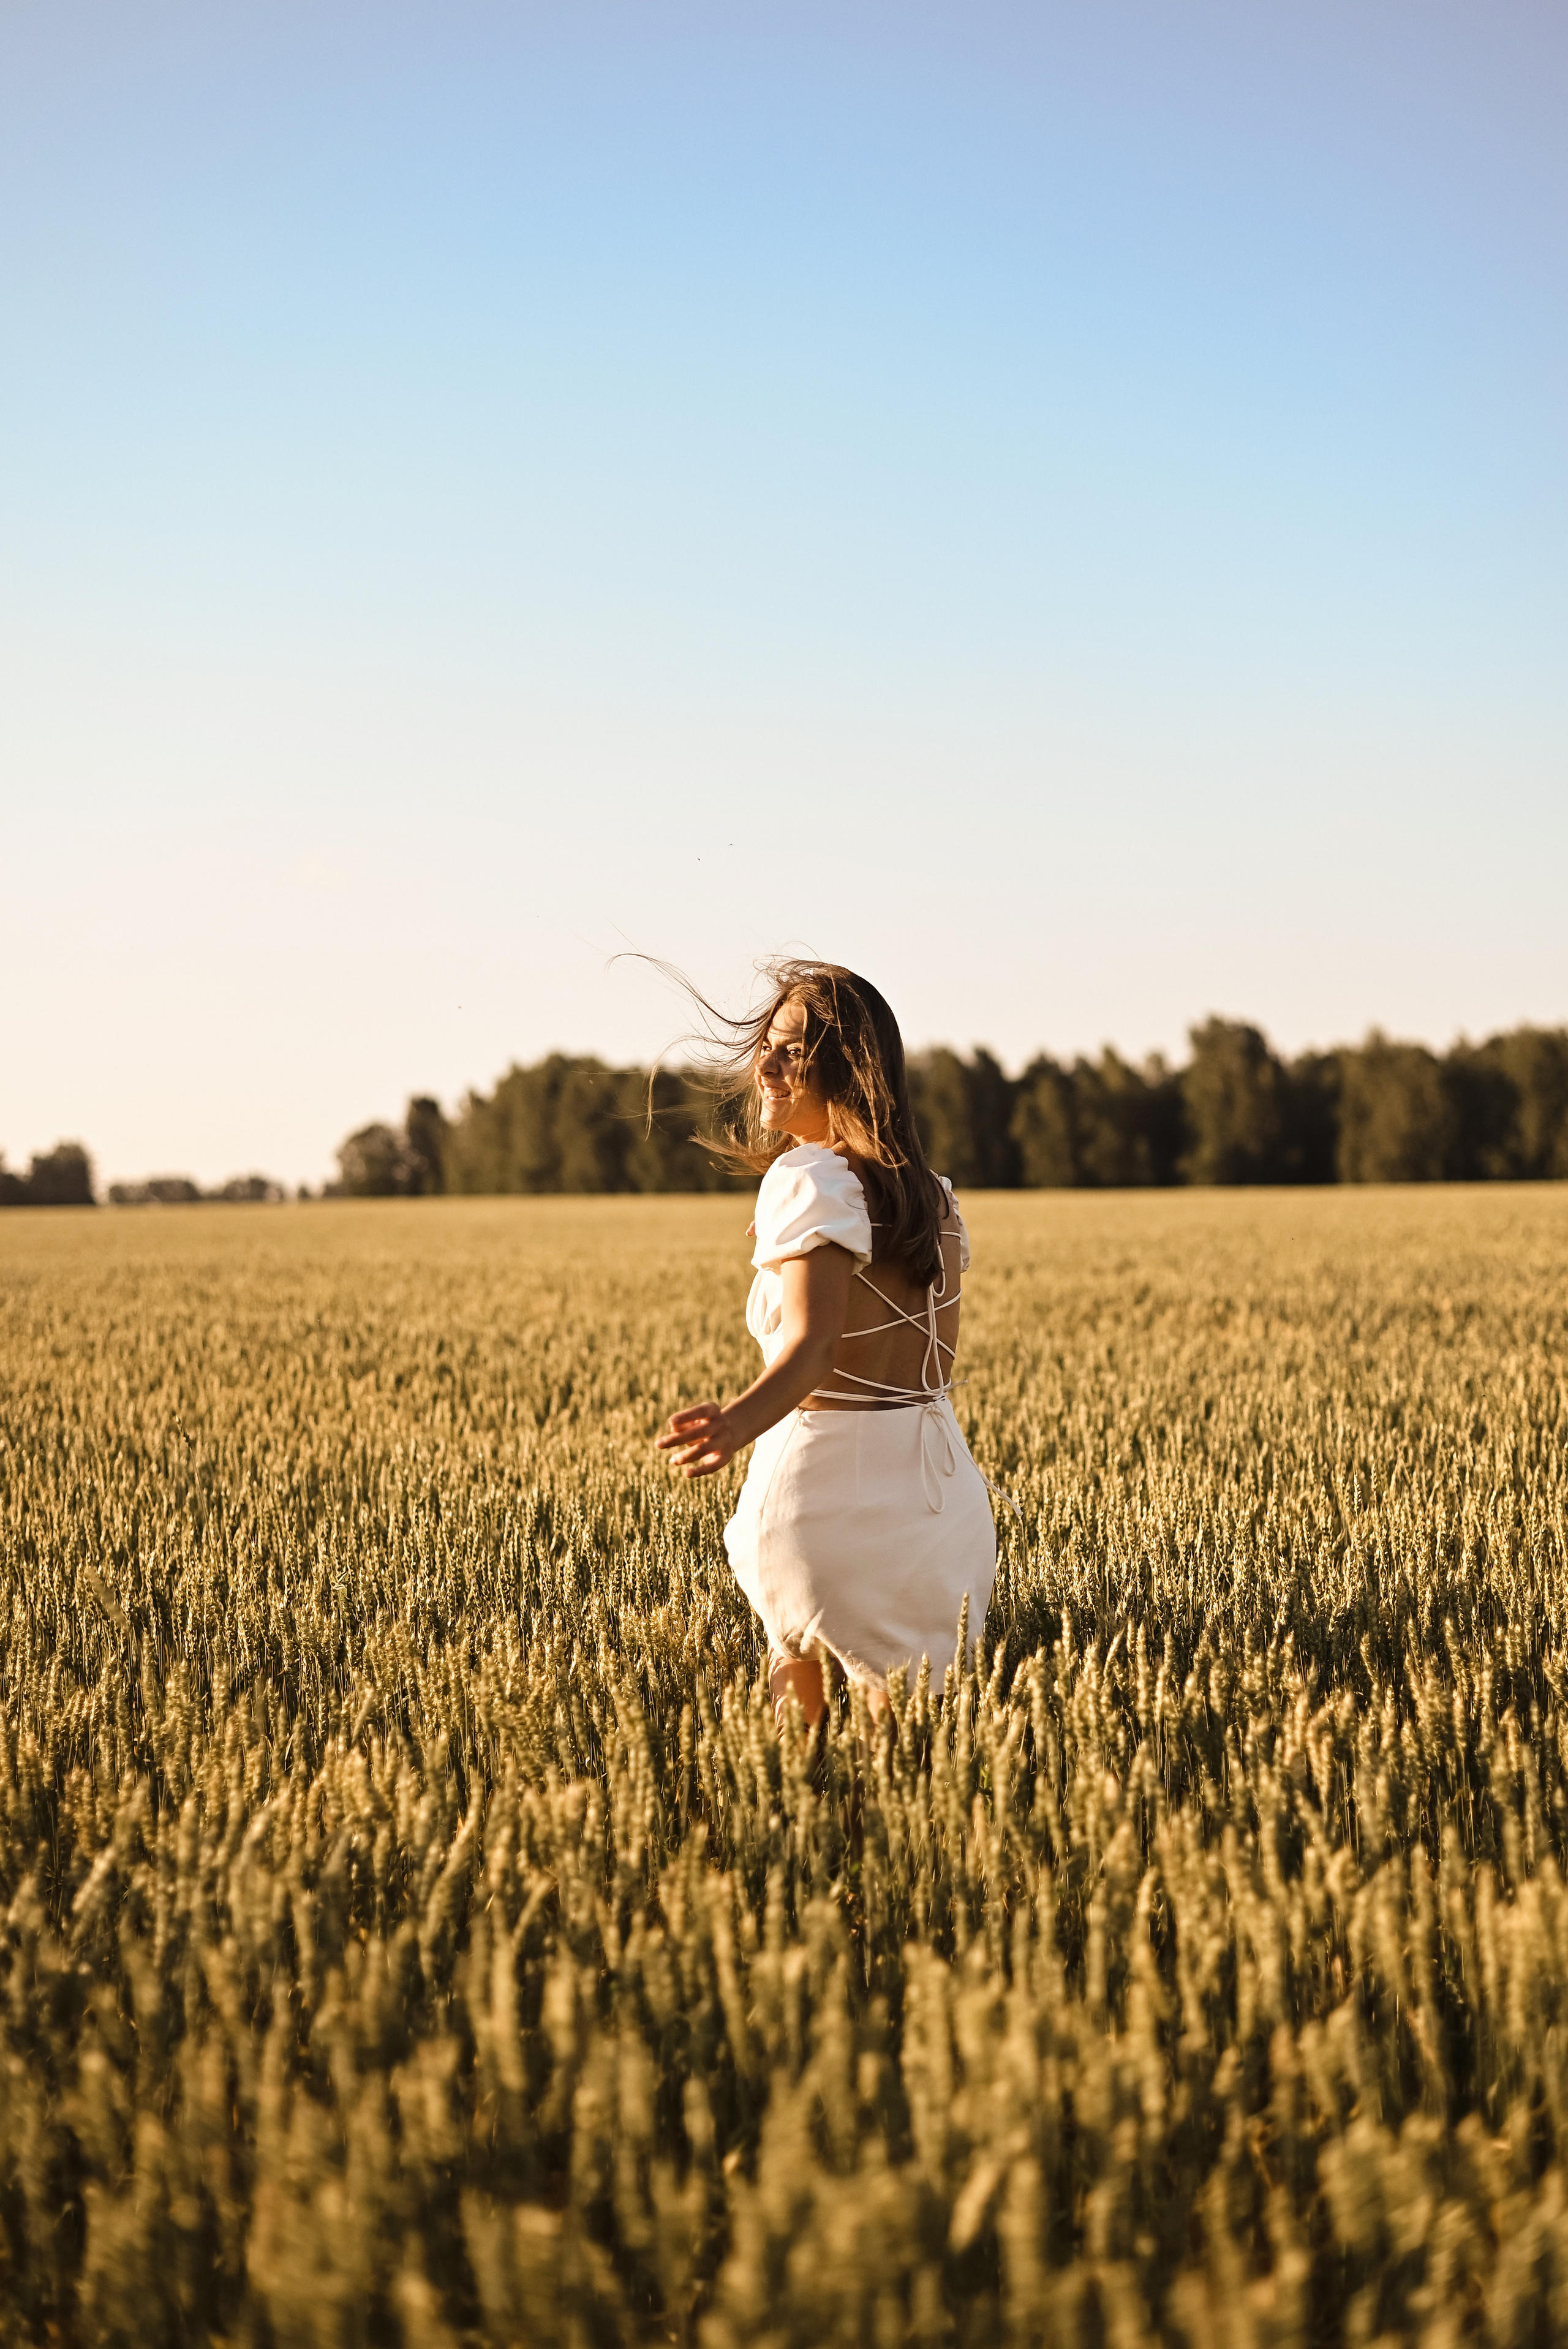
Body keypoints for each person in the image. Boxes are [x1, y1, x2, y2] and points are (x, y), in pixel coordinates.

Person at [655, 962, 1000, 1730]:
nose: (765, 1067)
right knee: (909, 1759)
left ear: (851, 1069)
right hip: (940, 1501)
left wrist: (736, 1423)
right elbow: (933, 1362)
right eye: (765, 1047)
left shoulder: (806, 1178)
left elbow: (813, 1350)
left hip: (824, 1490)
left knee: (798, 1759)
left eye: (792, 1051)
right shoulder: (934, 1196)